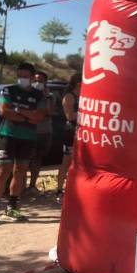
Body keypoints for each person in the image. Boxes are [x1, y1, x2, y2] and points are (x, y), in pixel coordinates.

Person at [0, 63, 46, 226]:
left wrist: (17, 110)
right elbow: (4, 111)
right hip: (7, 136)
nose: (22, 79)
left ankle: (12, 207)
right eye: (20, 76)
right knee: (2, 172)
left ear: (32, 78)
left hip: (28, 138)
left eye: (25, 76)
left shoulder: (39, 95)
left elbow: (39, 116)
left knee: (20, 172)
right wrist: (28, 116)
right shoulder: (8, 90)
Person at [28, 71, 55, 192]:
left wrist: (46, 97)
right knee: (24, 160)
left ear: (45, 83)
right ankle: (20, 187)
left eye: (40, 81)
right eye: (35, 80)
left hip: (44, 132)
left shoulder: (50, 96)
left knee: (37, 159)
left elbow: (49, 112)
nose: (37, 83)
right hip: (29, 131)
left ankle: (32, 185)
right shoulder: (28, 94)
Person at [58, 73, 81, 204]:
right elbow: (70, 116)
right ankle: (59, 190)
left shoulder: (83, 96)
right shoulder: (69, 96)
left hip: (82, 133)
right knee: (67, 162)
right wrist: (85, 112)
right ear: (78, 83)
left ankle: (74, 189)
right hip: (70, 131)